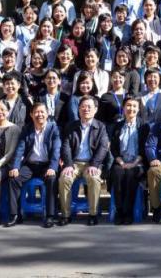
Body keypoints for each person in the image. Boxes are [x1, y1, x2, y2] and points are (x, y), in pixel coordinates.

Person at [56, 96, 110, 226]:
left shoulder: (101, 126)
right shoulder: (71, 126)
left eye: (89, 107)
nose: (86, 109)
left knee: (94, 178)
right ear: (79, 109)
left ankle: (93, 214)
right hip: (74, 163)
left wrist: (94, 164)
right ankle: (66, 215)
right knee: (64, 179)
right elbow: (66, 146)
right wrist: (68, 164)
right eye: (83, 107)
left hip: (91, 163)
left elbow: (103, 147)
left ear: (95, 109)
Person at [8, 103, 60, 228]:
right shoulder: (27, 129)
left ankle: (50, 216)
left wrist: (53, 167)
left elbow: (56, 150)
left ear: (47, 114)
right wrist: (15, 167)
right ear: (31, 115)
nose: (39, 114)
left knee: (52, 179)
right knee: (14, 178)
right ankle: (15, 215)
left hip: (46, 165)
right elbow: (20, 149)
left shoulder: (53, 128)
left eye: (42, 112)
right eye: (36, 112)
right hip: (30, 165)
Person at [109, 97, 146, 225]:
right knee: (117, 174)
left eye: (134, 106)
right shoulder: (117, 126)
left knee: (131, 175)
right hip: (121, 162)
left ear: (138, 109)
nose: (131, 109)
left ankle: (128, 211)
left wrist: (134, 163)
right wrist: (121, 162)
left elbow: (145, 149)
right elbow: (114, 148)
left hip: (138, 163)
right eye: (128, 106)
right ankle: (119, 211)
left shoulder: (143, 126)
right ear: (123, 108)